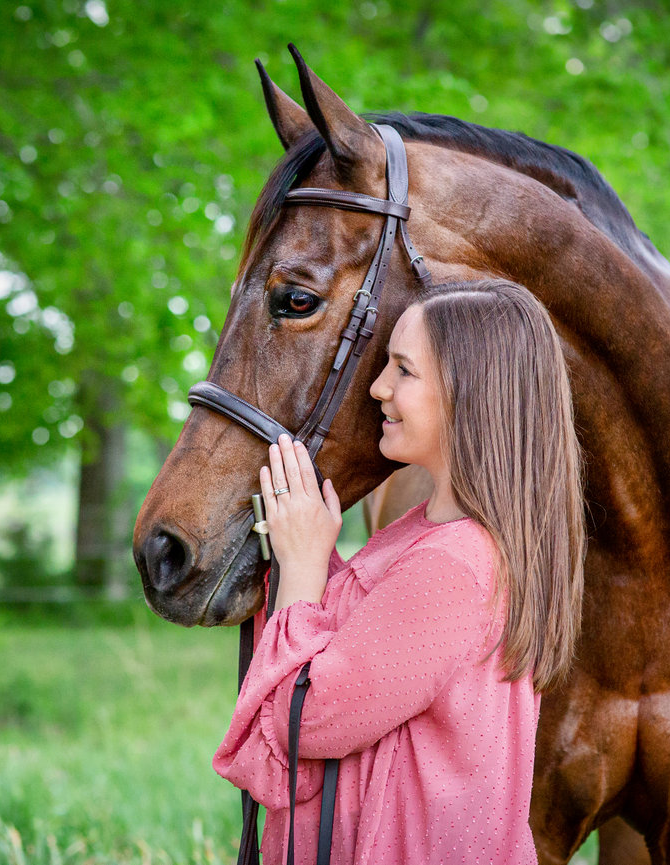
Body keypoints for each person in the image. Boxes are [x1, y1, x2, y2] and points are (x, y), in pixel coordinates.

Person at [212, 279, 586, 865]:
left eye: (403, 370)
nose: (378, 387)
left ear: (471, 393)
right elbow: (362, 646)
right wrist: (296, 541)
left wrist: (305, 566)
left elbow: (305, 720)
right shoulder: (424, 531)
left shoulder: (452, 565)